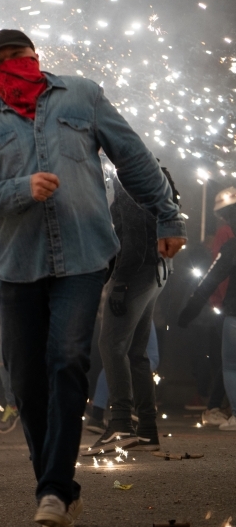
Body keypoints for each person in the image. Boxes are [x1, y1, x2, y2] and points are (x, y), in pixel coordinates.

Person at [0, 29, 186, 527]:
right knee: (25, 381)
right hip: (17, 267)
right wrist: (20, 189)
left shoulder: (84, 94)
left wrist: (168, 216)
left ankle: (54, 490)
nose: (12, 65)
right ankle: (60, 488)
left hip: (83, 258)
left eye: (19, 56)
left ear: (36, 57)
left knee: (68, 361)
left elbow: (134, 158)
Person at [88, 171, 176, 453]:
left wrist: (120, 284)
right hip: (157, 269)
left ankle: (122, 424)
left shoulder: (127, 174)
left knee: (111, 345)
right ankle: (148, 429)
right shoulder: (153, 171)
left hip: (137, 271)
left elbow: (134, 236)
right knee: (136, 352)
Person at [179, 187, 236, 430]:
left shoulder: (231, 245)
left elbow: (211, 279)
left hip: (234, 313)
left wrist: (188, 312)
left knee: (231, 365)